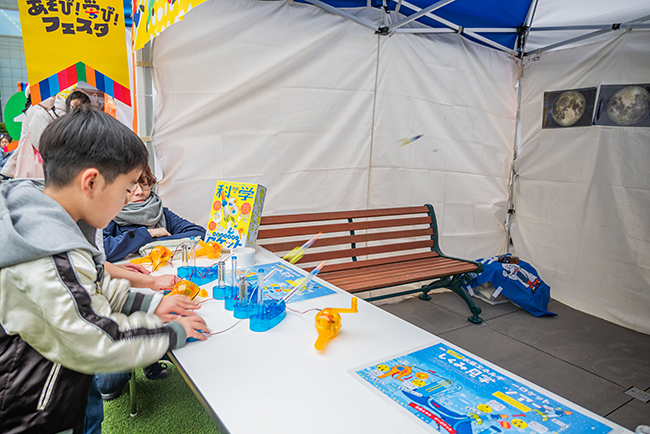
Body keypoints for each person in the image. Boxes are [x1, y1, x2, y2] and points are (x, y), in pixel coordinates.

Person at [0, 106, 207, 434]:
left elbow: (91, 287)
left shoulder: (63, 223)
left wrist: (150, 304)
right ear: (92, 182)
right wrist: (173, 333)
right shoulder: (45, 253)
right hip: (33, 410)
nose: (129, 200)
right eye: (126, 189)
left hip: (65, 387)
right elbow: (99, 341)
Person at [103, 165, 206, 262]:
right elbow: (103, 250)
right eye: (131, 186)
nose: (140, 192)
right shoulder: (108, 216)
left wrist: (152, 242)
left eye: (144, 184)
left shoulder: (160, 212)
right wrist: (148, 234)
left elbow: (199, 233)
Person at [0, 89, 92, 179]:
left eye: (54, 95)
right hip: (38, 164)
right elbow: (41, 144)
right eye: (51, 95)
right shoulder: (38, 112)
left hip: (35, 161)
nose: (54, 98)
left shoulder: (43, 110)